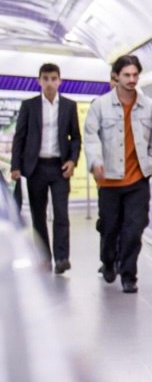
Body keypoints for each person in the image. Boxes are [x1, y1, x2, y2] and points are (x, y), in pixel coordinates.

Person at [84, 55, 152, 294]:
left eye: (135, 75)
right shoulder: (99, 106)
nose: (132, 80)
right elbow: (91, 137)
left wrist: (151, 164)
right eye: (127, 75)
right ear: (116, 77)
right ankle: (108, 261)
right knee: (109, 228)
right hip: (109, 181)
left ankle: (129, 275)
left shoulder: (149, 107)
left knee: (134, 228)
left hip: (137, 180)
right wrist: (96, 162)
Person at [11, 63, 81, 272]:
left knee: (61, 213)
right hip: (35, 168)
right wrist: (16, 166)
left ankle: (61, 258)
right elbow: (19, 137)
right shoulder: (29, 106)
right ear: (39, 81)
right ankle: (43, 257)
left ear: (60, 81)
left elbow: (76, 137)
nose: (50, 83)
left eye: (53, 78)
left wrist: (73, 160)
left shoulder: (69, 106)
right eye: (46, 78)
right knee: (38, 214)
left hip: (60, 168)